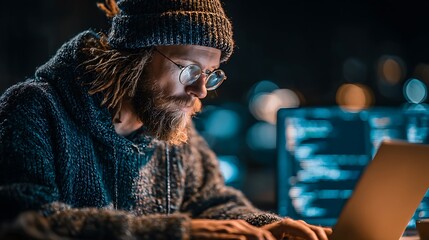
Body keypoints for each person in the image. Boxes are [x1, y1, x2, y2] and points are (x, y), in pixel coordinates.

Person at [0, 0, 332, 239]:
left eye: (210, 74)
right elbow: (25, 221)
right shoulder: (34, 110)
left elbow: (211, 202)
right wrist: (178, 233)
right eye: (189, 69)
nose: (201, 90)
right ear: (138, 54)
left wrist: (263, 226)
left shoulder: (170, 122)